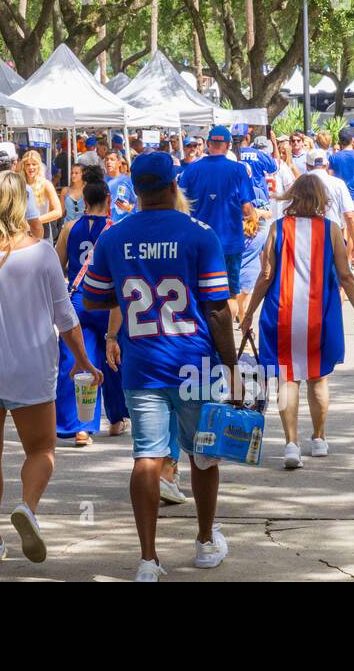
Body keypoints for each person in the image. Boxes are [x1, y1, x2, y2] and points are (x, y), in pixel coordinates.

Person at [81, 151, 237, 581]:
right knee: (203, 455)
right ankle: (205, 542)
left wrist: (131, 296)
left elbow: (93, 298)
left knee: (147, 458)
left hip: (142, 363)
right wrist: (233, 367)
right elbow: (219, 309)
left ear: (134, 189)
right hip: (195, 362)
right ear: (173, 185)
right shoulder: (200, 234)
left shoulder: (114, 237)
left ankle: (148, 559)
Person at [0, 171, 98, 565]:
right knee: (41, 449)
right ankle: (27, 507)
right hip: (30, 366)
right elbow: (66, 319)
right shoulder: (41, 253)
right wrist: (83, 360)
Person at [243, 176, 354, 469]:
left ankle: (290, 444)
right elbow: (346, 275)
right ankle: (319, 438)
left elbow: (265, 276)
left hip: (281, 313)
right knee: (318, 378)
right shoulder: (332, 230)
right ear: (320, 199)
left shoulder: (278, 229)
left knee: (287, 378)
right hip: (320, 316)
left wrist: (249, 312)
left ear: (294, 196)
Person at [54, 176, 128, 446]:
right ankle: (118, 418)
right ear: (108, 200)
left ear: (84, 201)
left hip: (78, 302)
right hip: (108, 303)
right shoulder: (117, 230)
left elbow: (56, 265)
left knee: (77, 360)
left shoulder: (69, 228)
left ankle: (80, 426)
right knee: (113, 358)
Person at [178, 125, 256, 313]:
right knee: (229, 294)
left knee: (200, 293)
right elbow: (246, 208)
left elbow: (180, 207)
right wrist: (254, 216)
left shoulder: (191, 171)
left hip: (199, 243)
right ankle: (226, 340)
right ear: (228, 145)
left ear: (208, 144)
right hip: (230, 242)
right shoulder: (238, 170)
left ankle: (207, 337)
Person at [22, 149, 63, 238]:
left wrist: (35, 221)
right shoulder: (19, 184)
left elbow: (58, 211)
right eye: (28, 164)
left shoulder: (46, 184)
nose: (31, 167)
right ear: (23, 166)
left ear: (39, 166)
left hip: (42, 231)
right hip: (22, 232)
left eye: (34, 164)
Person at [103, 150, 136, 223]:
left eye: (112, 159)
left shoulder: (128, 181)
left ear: (119, 163)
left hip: (123, 225)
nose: (108, 162)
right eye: (106, 159)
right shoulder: (100, 181)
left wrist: (129, 208)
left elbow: (138, 203)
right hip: (104, 226)